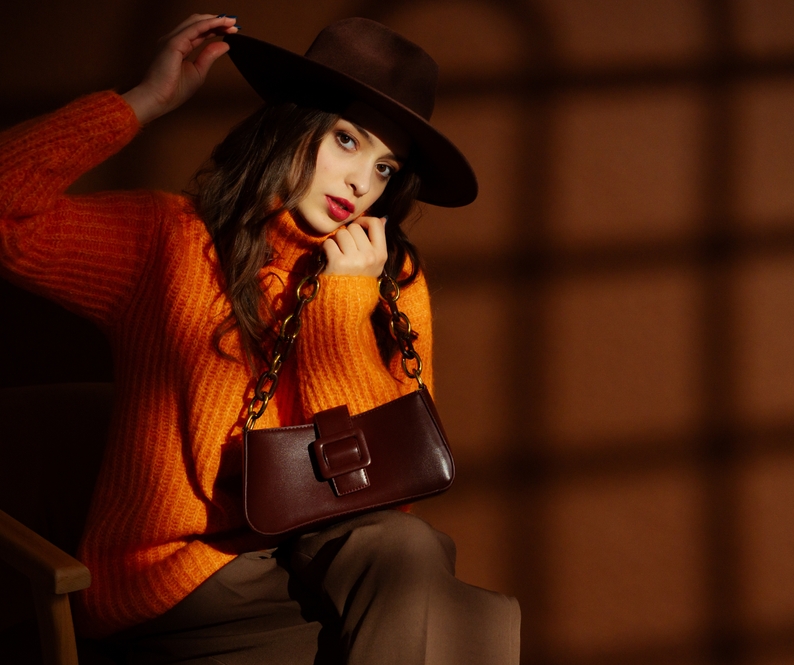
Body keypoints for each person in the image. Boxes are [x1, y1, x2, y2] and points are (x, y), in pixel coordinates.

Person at [0, 13, 520, 665]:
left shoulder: (388, 278)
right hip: (182, 579)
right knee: (456, 627)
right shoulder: (169, 243)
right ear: (294, 125)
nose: (362, 183)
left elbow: (388, 491)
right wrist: (143, 101)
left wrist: (343, 304)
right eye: (348, 141)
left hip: (313, 559)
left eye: (386, 168)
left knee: (409, 552)